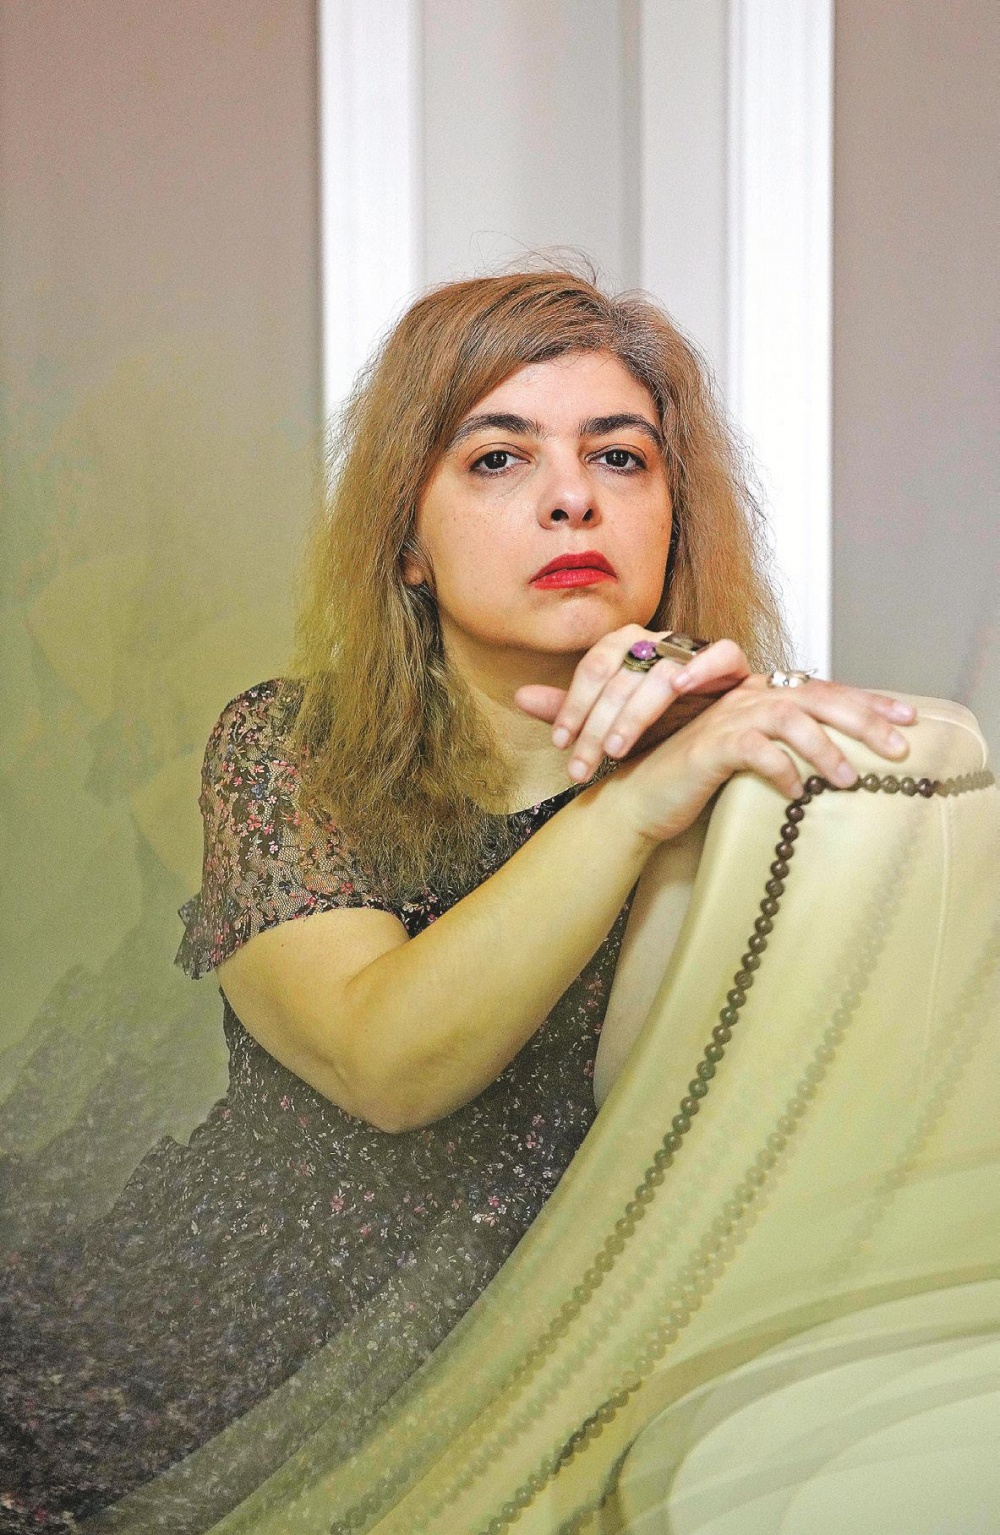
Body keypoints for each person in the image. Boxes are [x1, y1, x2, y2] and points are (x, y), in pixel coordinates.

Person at [0, 269, 916, 1529]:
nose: (571, 497)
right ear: (407, 543)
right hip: (193, 1377)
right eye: (497, 458)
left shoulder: (748, 770)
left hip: (560, 1379)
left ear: (672, 515)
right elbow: (385, 1062)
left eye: (620, 456)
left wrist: (710, 743)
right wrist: (629, 803)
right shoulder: (288, 746)